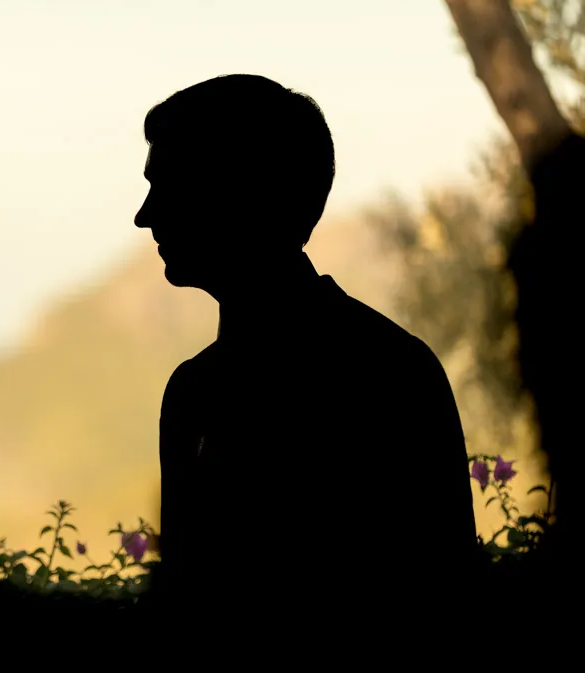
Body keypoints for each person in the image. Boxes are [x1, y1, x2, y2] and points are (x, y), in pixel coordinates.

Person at [134, 75, 477, 616]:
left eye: (168, 184)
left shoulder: (390, 375)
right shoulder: (396, 366)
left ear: (236, 191)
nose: (145, 214)